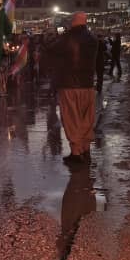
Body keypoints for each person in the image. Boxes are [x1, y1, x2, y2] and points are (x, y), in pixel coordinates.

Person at [47, 12, 99, 164]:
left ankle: (76, 153)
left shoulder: (67, 38)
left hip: (69, 84)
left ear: (73, 21)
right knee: (86, 118)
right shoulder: (93, 39)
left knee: (71, 117)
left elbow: (50, 49)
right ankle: (85, 149)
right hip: (88, 84)